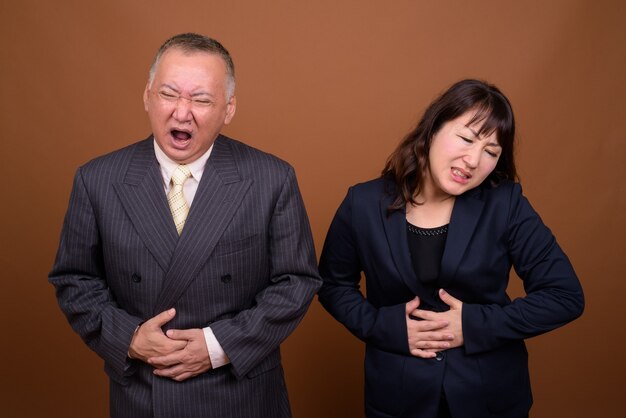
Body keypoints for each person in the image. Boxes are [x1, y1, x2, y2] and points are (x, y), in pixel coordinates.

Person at [49, 33, 321, 418]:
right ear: (146, 96)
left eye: (201, 99)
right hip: (145, 392)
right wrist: (129, 338)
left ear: (228, 108)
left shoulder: (271, 178)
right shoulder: (97, 180)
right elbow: (74, 280)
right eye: (168, 94)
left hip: (242, 394)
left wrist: (216, 346)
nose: (181, 112)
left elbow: (298, 282)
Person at [317, 79, 584, 418]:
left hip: (489, 398)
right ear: (431, 129)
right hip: (397, 398)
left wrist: (473, 326)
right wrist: (383, 327)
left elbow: (564, 296)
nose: (474, 160)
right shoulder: (363, 203)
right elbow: (332, 285)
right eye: (466, 138)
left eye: (491, 152)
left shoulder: (506, 204)